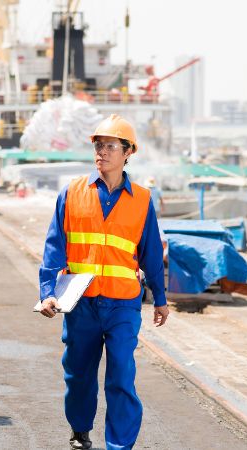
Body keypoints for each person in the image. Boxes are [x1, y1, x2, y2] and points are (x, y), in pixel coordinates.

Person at [38, 114, 169, 450]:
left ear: (128, 153)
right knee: (79, 375)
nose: (102, 151)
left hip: (123, 305)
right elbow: (55, 248)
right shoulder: (72, 193)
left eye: (110, 146)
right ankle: (80, 431)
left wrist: (161, 298)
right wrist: (48, 294)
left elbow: (151, 254)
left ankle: (119, 445)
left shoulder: (141, 200)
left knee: (121, 377)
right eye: (98, 145)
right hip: (81, 304)